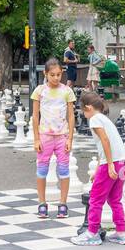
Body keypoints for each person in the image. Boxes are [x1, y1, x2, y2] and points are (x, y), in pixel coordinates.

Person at [71, 91, 125, 246]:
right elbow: (103, 148)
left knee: (95, 200)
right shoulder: (104, 118)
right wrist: (99, 167)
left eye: (82, 110)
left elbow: (105, 141)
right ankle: (121, 232)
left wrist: (109, 164)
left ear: (88, 107)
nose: (83, 114)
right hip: (122, 162)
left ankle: (92, 233)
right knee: (114, 200)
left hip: (111, 164)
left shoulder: (95, 119)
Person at [31, 58, 75, 218]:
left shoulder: (67, 91)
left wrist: (70, 138)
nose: (56, 78)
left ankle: (63, 204)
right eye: (52, 75)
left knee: (63, 170)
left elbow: (71, 116)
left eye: (58, 75)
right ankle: (42, 203)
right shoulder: (39, 91)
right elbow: (35, 117)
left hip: (62, 136)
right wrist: (36, 139)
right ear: (45, 74)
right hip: (45, 136)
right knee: (42, 170)